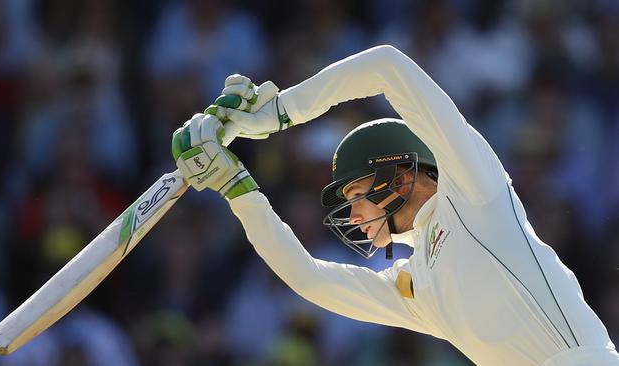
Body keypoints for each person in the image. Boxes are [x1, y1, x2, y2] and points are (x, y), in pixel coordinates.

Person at [171, 45, 619, 365]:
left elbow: (387, 66)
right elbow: (309, 277)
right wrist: (237, 188)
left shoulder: (473, 192)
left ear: (401, 175)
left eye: (355, 194)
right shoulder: (416, 285)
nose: (352, 216)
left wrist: (282, 110)